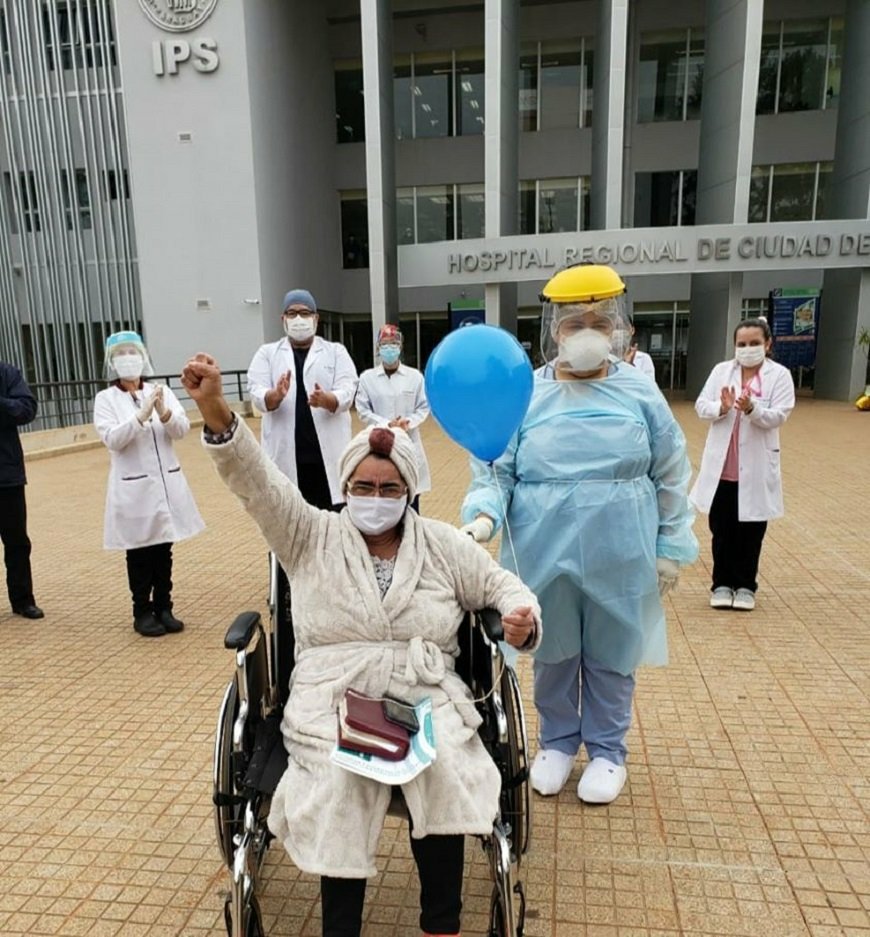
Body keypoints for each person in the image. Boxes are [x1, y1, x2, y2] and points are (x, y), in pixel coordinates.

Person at [181, 352, 542, 937]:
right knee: (341, 780)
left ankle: (442, 923)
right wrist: (216, 410)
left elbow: (503, 586)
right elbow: (257, 483)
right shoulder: (309, 534)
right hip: (333, 696)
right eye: (364, 486)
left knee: (445, 767)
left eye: (389, 487)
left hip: (424, 691)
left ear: (408, 490)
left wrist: (522, 617)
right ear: (346, 487)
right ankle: (340, 928)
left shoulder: (442, 544)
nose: (376, 496)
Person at [461, 264, 697, 805]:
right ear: (554, 329)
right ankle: (558, 742)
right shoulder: (526, 393)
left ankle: (608, 750)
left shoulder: (639, 391)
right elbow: (497, 468)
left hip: (622, 548)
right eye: (574, 323)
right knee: (554, 647)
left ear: (618, 327)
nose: (587, 333)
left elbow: (669, 471)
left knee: (613, 652)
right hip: (543, 546)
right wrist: (484, 515)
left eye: (599, 322)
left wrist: (669, 547)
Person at [93, 331, 204, 637]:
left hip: (165, 483)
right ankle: (142, 611)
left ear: (143, 357)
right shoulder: (106, 399)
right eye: (120, 354)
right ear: (111, 362)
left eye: (133, 352)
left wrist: (163, 413)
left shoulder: (160, 391)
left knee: (163, 550)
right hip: (134, 488)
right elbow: (112, 439)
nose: (128, 359)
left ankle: (164, 607)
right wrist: (139, 418)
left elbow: (181, 430)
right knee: (139, 552)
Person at [689, 317, 795, 612]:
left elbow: (780, 415)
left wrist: (752, 409)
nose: (748, 349)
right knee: (721, 530)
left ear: (768, 344)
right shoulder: (721, 371)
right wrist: (721, 408)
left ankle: (746, 586)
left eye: (754, 343)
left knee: (750, 532)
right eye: (742, 344)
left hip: (756, 466)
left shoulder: (779, 375)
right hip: (723, 468)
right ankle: (721, 584)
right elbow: (701, 406)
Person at [246, 288, 358, 508]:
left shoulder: (336, 352)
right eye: (292, 313)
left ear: (316, 318)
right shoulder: (267, 353)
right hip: (286, 458)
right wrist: (275, 395)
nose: (299, 319)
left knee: (331, 520)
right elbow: (256, 391)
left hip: (327, 459)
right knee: (288, 519)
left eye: (305, 313)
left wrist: (328, 399)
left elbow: (348, 389)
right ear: (283, 319)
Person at [355, 323, 431, 511]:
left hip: (408, 443)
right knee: (383, 496)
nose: (389, 348)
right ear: (378, 348)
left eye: (394, 343)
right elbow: (362, 410)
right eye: (385, 344)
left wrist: (408, 422)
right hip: (378, 444)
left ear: (400, 346)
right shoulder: (367, 378)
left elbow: (423, 407)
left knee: (411, 501)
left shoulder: (415, 377)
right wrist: (386, 424)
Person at [0, 360, 43, 620]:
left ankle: (23, 600)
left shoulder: (7, 373)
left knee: (16, 542)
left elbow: (27, 409)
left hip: (7, 475)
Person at [611, 316, 656, 382]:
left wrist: (629, 366)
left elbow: (648, 385)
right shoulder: (606, 359)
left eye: (623, 327)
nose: (619, 332)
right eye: (615, 328)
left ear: (632, 330)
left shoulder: (644, 358)